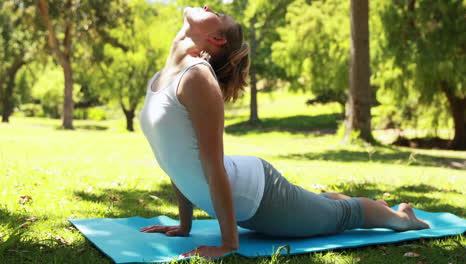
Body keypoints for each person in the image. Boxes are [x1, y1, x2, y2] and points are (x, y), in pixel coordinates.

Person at [138, 5, 430, 260]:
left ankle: (402, 217)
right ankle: (339, 202)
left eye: (218, 14)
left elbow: (212, 166)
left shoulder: (197, 77)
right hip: (247, 187)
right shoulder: (160, 78)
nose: (207, 6)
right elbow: (175, 157)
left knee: (345, 216)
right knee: (319, 206)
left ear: (216, 38)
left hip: (260, 198)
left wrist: (228, 244)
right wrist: (184, 226)